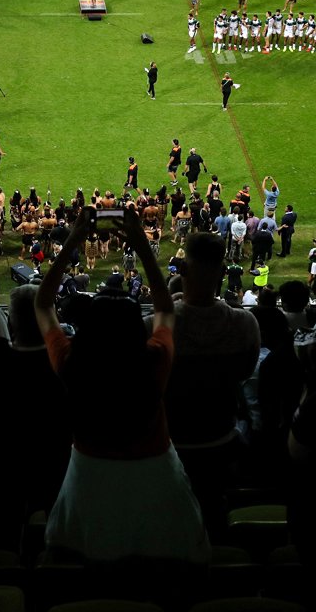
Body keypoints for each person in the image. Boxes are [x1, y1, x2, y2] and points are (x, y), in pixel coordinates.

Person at [35, 209, 210, 565]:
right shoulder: (154, 358)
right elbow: (166, 309)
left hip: (89, 475)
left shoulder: (72, 362)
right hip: (157, 473)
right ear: (136, 331)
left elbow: (42, 303)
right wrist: (142, 245)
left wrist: (73, 238)